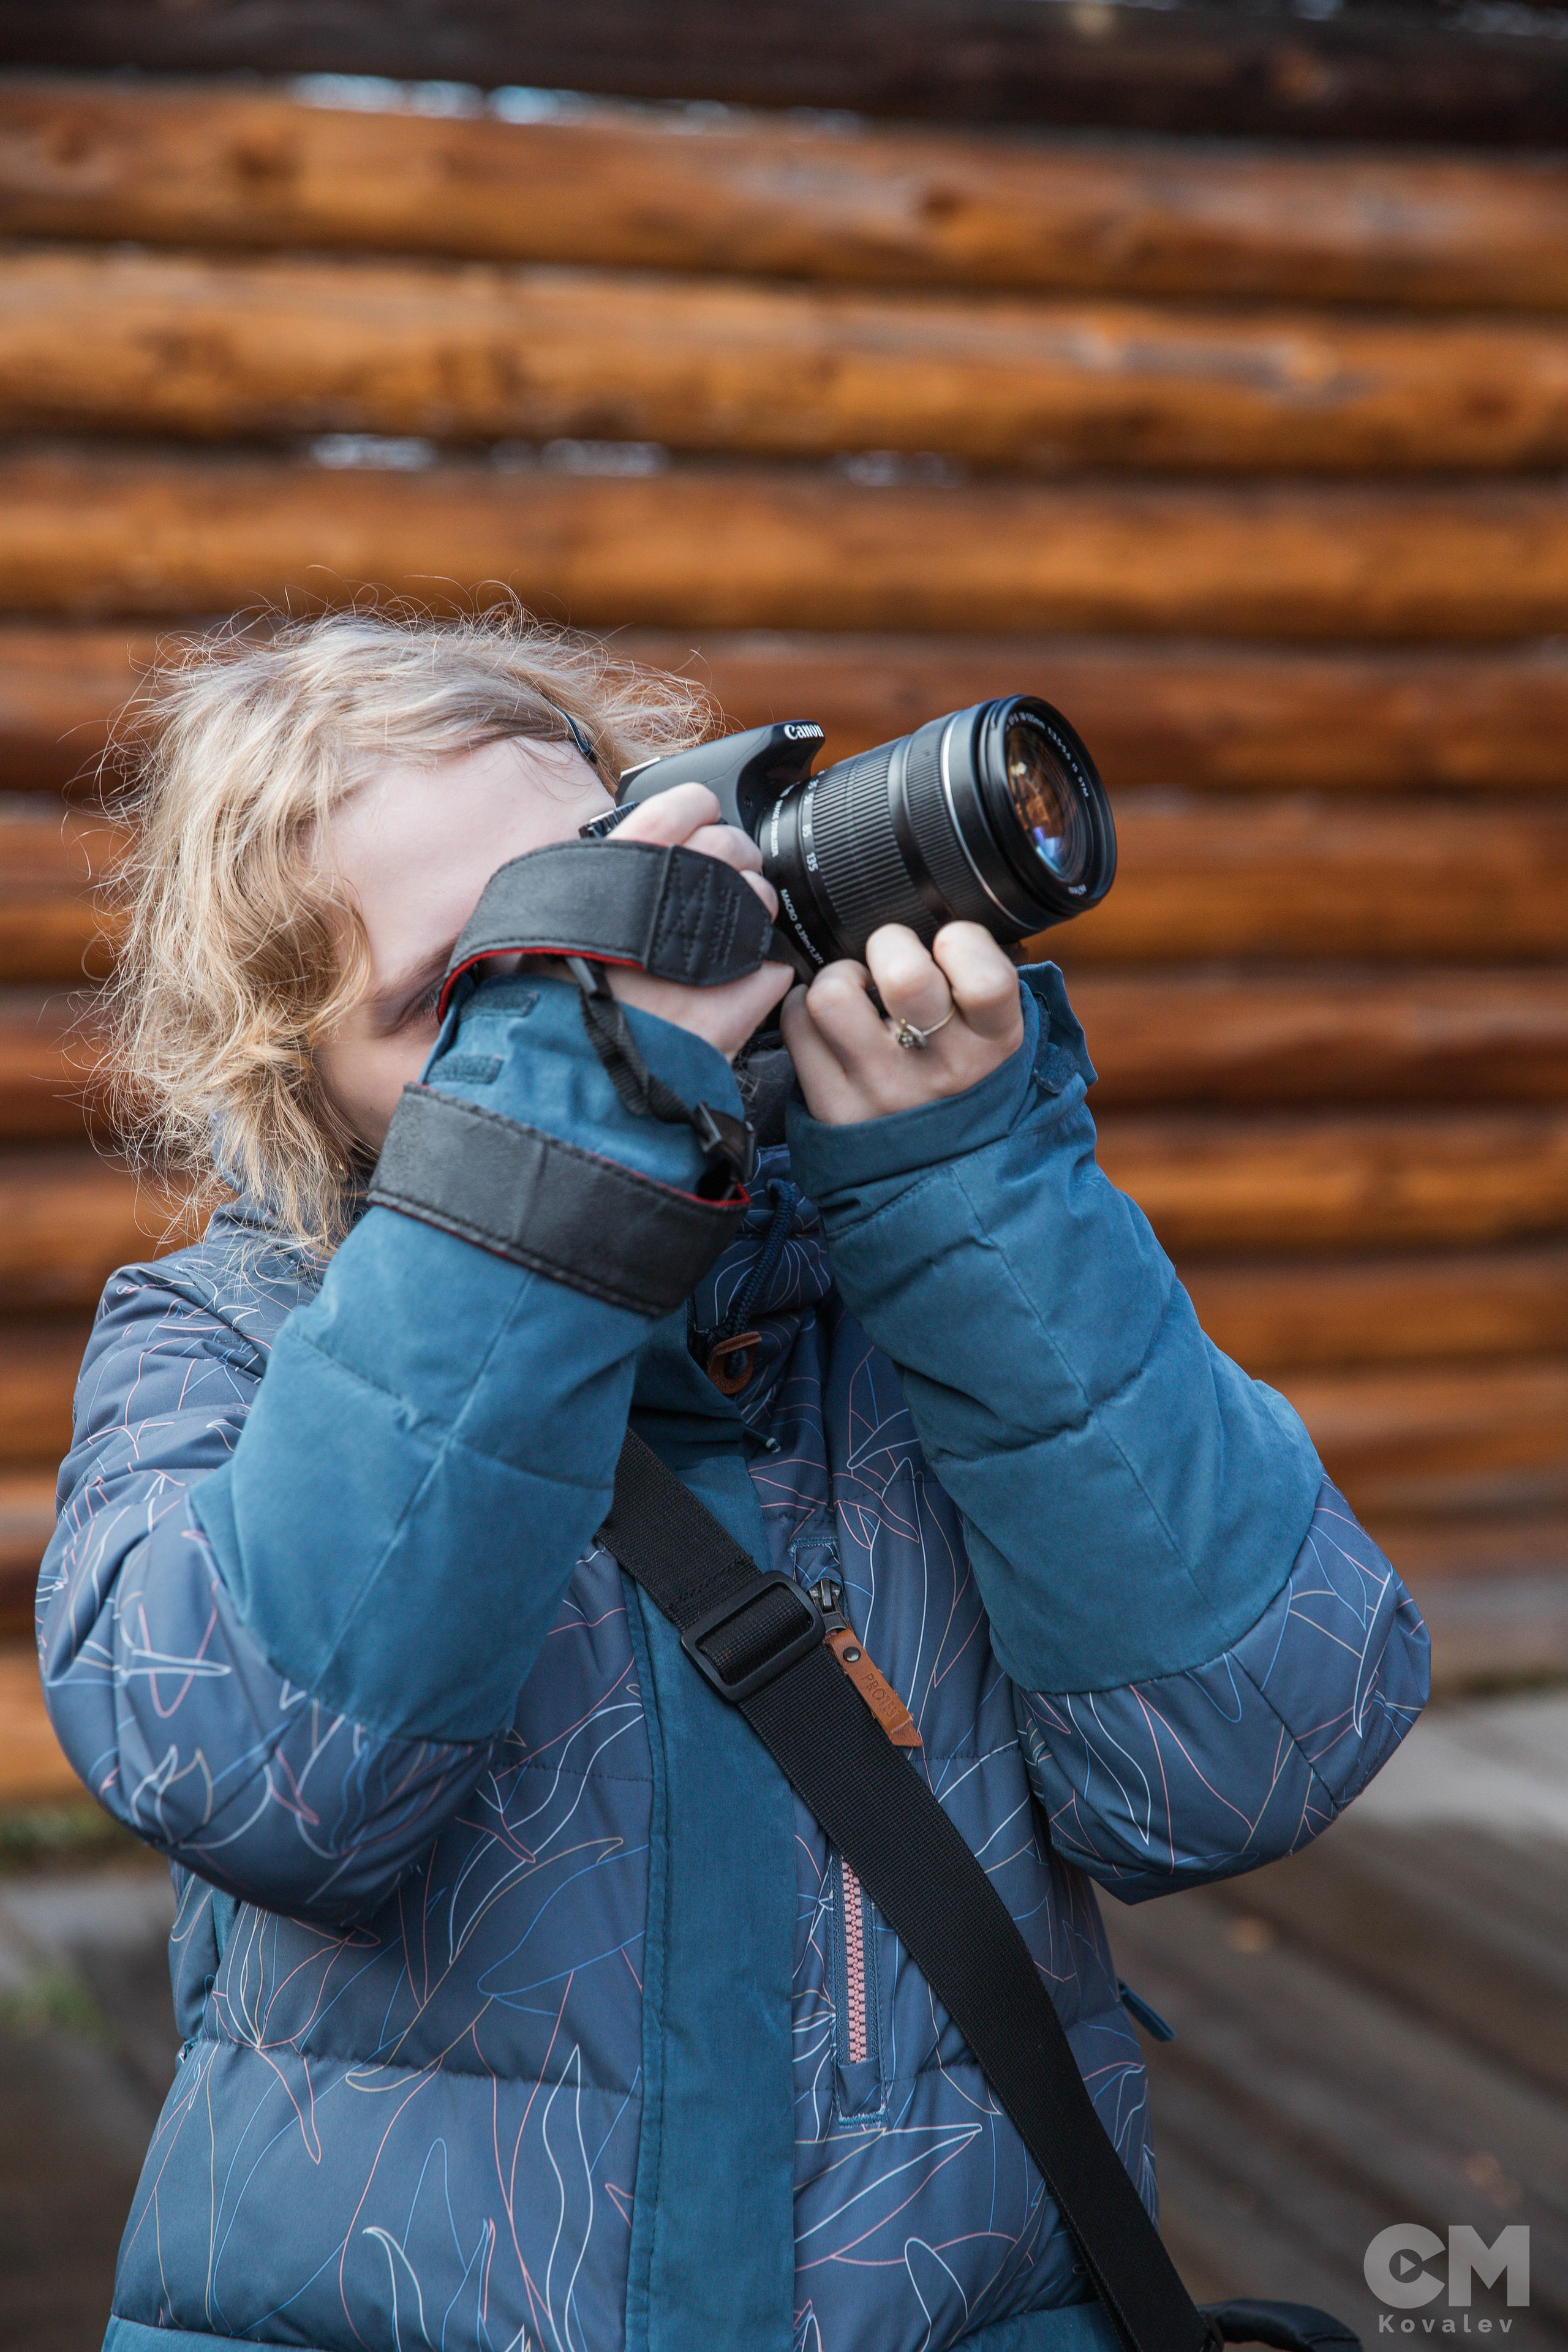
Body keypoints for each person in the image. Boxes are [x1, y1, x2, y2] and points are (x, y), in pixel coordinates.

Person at [40, 609, 1428, 2352]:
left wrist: (974, 1202)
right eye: (456, 999)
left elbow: (1252, 1757)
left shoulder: (903, 1273)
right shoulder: (223, 1339)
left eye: (585, 895)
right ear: (292, 1073)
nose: (570, 1000)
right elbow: (272, 1777)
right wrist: (553, 1149)